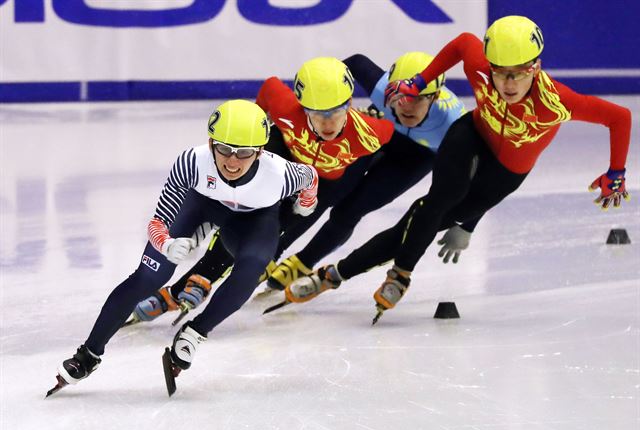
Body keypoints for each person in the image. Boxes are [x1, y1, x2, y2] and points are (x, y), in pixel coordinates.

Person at [282, 15, 632, 324]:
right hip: (471, 135)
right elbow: (463, 43)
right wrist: (420, 81)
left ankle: (333, 275)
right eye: (499, 74)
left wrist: (616, 172)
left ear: (535, 67)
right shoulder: (481, 68)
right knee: (432, 207)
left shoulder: (557, 102)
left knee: (413, 224)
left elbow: (620, 117)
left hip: (506, 171)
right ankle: (401, 276)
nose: (507, 85)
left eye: (516, 75)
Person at [47, 99, 319, 394]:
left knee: (252, 267)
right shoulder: (192, 162)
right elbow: (158, 222)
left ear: (260, 152)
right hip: (202, 207)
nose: (232, 161)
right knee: (150, 277)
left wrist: (306, 203)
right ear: (210, 142)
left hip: (252, 220)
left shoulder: (280, 175)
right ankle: (89, 354)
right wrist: (165, 244)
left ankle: (195, 333)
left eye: (244, 153)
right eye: (224, 149)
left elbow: (311, 178)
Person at [125, 57, 395, 325]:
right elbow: (269, 89)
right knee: (242, 208)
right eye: (316, 113)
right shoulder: (288, 109)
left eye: (335, 112)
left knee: (271, 228)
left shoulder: (372, 134)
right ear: (303, 107)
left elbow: (389, 142)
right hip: (284, 159)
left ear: (349, 104)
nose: (327, 123)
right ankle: (199, 276)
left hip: (320, 183)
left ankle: (195, 281)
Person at [264, 51, 471, 291]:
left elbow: (479, 174)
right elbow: (354, 63)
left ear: (435, 97)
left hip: (415, 157)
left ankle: (304, 262)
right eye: (400, 96)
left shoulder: (453, 125)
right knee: (327, 191)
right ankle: (273, 250)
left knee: (350, 211)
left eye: (418, 99)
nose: (406, 106)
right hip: (375, 132)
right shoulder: (381, 90)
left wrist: (466, 224)